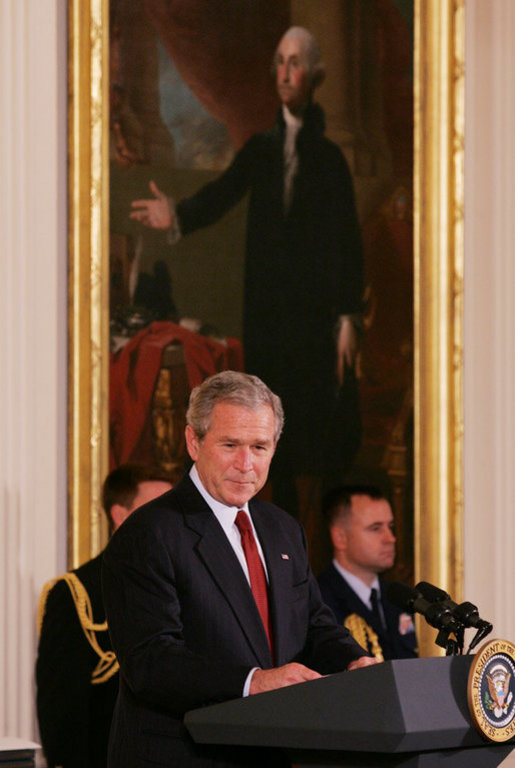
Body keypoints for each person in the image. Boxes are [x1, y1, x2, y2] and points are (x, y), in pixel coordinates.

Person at [129, 26, 364, 514]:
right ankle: (283, 535)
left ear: (314, 75)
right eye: (278, 61)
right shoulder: (261, 147)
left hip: (319, 319)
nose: (283, 72)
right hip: (271, 314)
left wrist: (346, 317)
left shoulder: (329, 158)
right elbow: (223, 194)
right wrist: (175, 214)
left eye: (294, 63)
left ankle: (325, 535)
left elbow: (347, 240)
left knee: (321, 427)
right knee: (273, 427)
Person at [102, 371, 377, 768]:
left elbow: (314, 625)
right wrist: (255, 682)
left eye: (260, 447)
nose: (246, 464)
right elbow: (150, 662)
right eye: (230, 445)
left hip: (273, 753)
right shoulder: (149, 533)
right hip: (183, 756)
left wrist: (354, 663)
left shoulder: (283, 529)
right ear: (193, 442)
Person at [36, 464, 173, 768]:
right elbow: (63, 714)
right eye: (156, 510)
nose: (169, 521)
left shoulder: (186, 587)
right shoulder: (75, 594)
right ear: (120, 516)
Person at [317, 485, 417, 661]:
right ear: (340, 538)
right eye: (376, 528)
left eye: (390, 527)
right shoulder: (318, 600)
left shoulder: (397, 596)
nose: (390, 538)